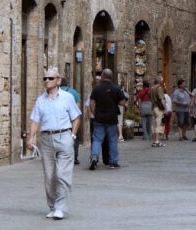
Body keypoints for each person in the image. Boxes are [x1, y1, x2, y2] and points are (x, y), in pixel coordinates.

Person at [27, 68, 82, 220]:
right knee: (50, 175)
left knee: (62, 174)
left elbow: (77, 117)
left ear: (58, 81)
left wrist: (73, 135)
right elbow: (35, 120)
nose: (47, 81)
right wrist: (31, 137)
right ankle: (52, 206)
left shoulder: (67, 97)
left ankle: (60, 207)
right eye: (45, 78)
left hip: (64, 136)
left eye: (50, 78)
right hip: (46, 138)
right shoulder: (40, 100)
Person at [88, 68, 127, 170]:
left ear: (102, 76)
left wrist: (95, 114)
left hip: (99, 118)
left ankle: (94, 158)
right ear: (111, 77)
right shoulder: (116, 88)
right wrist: (116, 102)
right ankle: (113, 162)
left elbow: (91, 103)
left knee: (97, 139)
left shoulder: (96, 88)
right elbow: (123, 102)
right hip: (112, 118)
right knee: (112, 140)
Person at [59, 78, 83, 165]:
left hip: (60, 119)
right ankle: (74, 157)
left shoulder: (55, 92)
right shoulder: (74, 92)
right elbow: (78, 107)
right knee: (74, 136)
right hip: (72, 119)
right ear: (67, 84)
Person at [150, 75, 167, 147]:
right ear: (159, 81)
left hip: (153, 107)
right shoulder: (159, 88)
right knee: (159, 124)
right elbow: (162, 99)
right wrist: (165, 108)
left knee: (154, 124)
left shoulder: (152, 88)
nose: (163, 82)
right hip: (159, 108)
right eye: (162, 80)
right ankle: (157, 141)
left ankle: (154, 141)